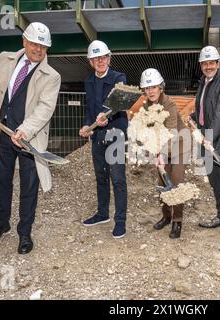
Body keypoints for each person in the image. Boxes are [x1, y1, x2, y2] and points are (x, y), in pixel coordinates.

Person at [0, 22, 61, 254]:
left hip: (28, 139)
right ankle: (1, 224)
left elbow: (45, 108)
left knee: (29, 185)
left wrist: (25, 130)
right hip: (1, 132)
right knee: (0, 180)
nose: (39, 50)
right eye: (35, 43)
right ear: (24, 41)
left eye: (44, 46)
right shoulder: (4, 59)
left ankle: (25, 233)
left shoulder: (51, 76)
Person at [186, 46, 220, 242]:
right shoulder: (203, 83)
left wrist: (211, 137)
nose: (208, 66)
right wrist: (193, 117)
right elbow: (205, 110)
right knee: (214, 180)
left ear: (218, 64)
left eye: (212, 62)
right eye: (205, 63)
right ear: (201, 65)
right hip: (205, 138)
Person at [79, 40, 128, 239]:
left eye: (104, 57)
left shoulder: (119, 78)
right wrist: (87, 125)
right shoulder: (89, 82)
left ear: (109, 58)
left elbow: (120, 103)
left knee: (117, 179)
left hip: (116, 134)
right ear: (91, 61)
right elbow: (89, 110)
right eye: (96, 58)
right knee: (101, 177)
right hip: (98, 136)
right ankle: (102, 214)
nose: (101, 61)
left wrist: (106, 114)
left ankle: (121, 222)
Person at [139, 68, 189, 238]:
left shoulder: (169, 104)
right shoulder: (146, 106)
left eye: (153, 87)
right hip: (162, 146)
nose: (150, 91)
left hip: (179, 145)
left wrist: (161, 154)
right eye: (147, 88)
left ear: (161, 87)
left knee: (176, 181)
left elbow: (171, 132)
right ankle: (167, 216)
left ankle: (177, 220)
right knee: (162, 182)